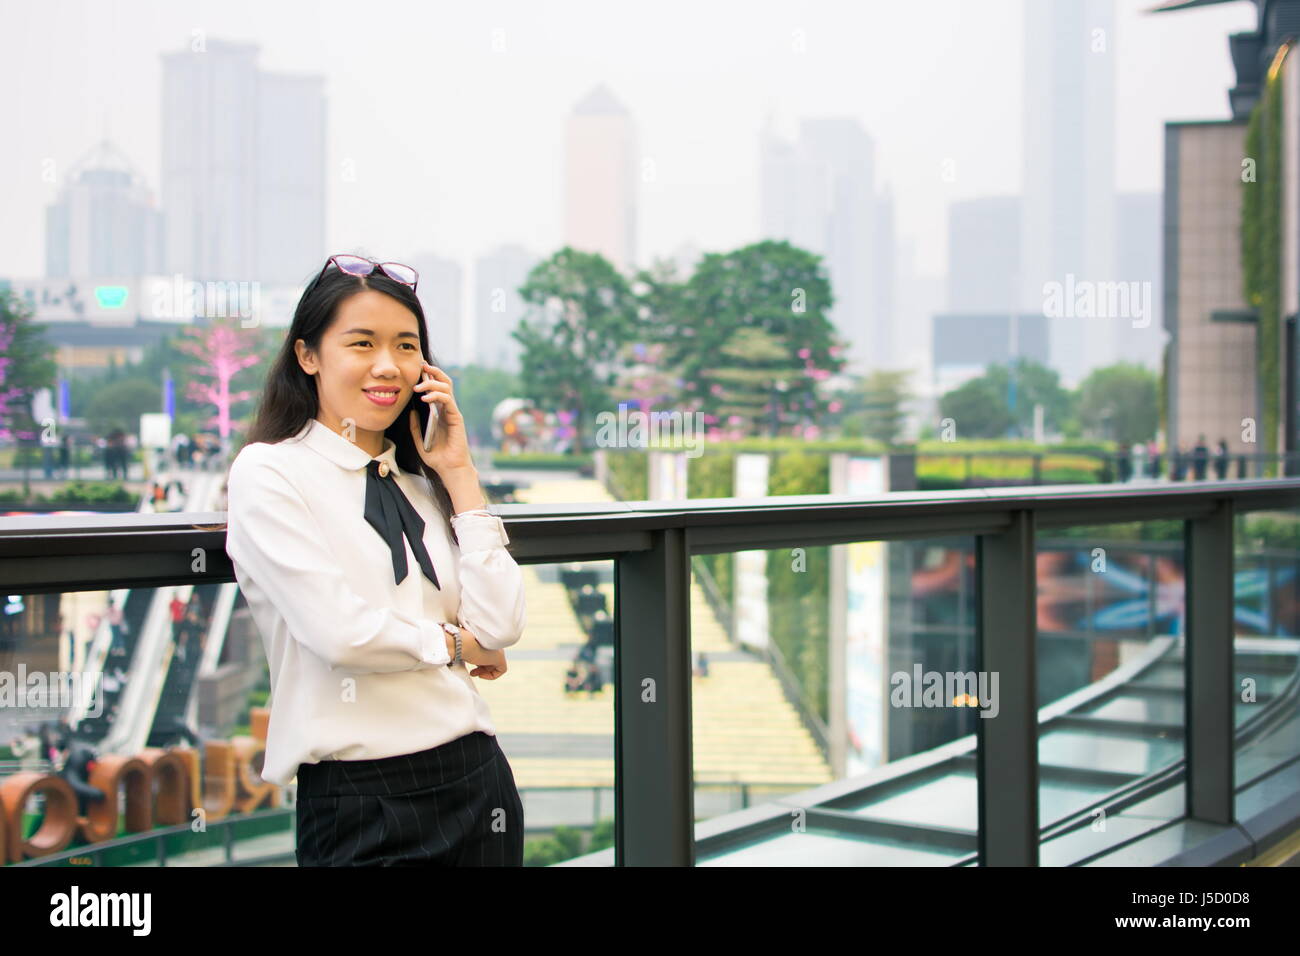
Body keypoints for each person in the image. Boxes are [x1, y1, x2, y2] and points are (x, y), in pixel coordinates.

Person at [223, 253, 527, 867]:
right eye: (362, 343)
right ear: (308, 355)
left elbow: (502, 624)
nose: (388, 365)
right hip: (361, 799)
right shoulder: (272, 472)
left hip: (476, 778)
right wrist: (458, 646)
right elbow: (339, 634)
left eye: (406, 345)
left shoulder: (420, 480)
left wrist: (460, 474)